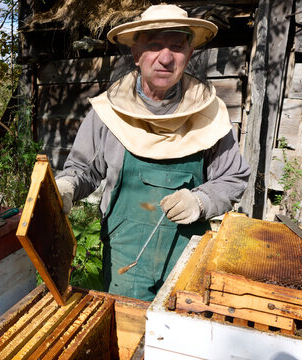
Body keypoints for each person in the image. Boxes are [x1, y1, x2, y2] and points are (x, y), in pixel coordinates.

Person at [55, 4, 250, 301]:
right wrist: (66, 186)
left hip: (189, 251)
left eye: (177, 46)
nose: (166, 57)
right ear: (136, 55)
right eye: (155, 45)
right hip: (124, 253)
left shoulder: (211, 114)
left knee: (177, 339)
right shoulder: (108, 113)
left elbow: (233, 177)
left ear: (190, 54)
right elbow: (84, 170)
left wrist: (201, 200)